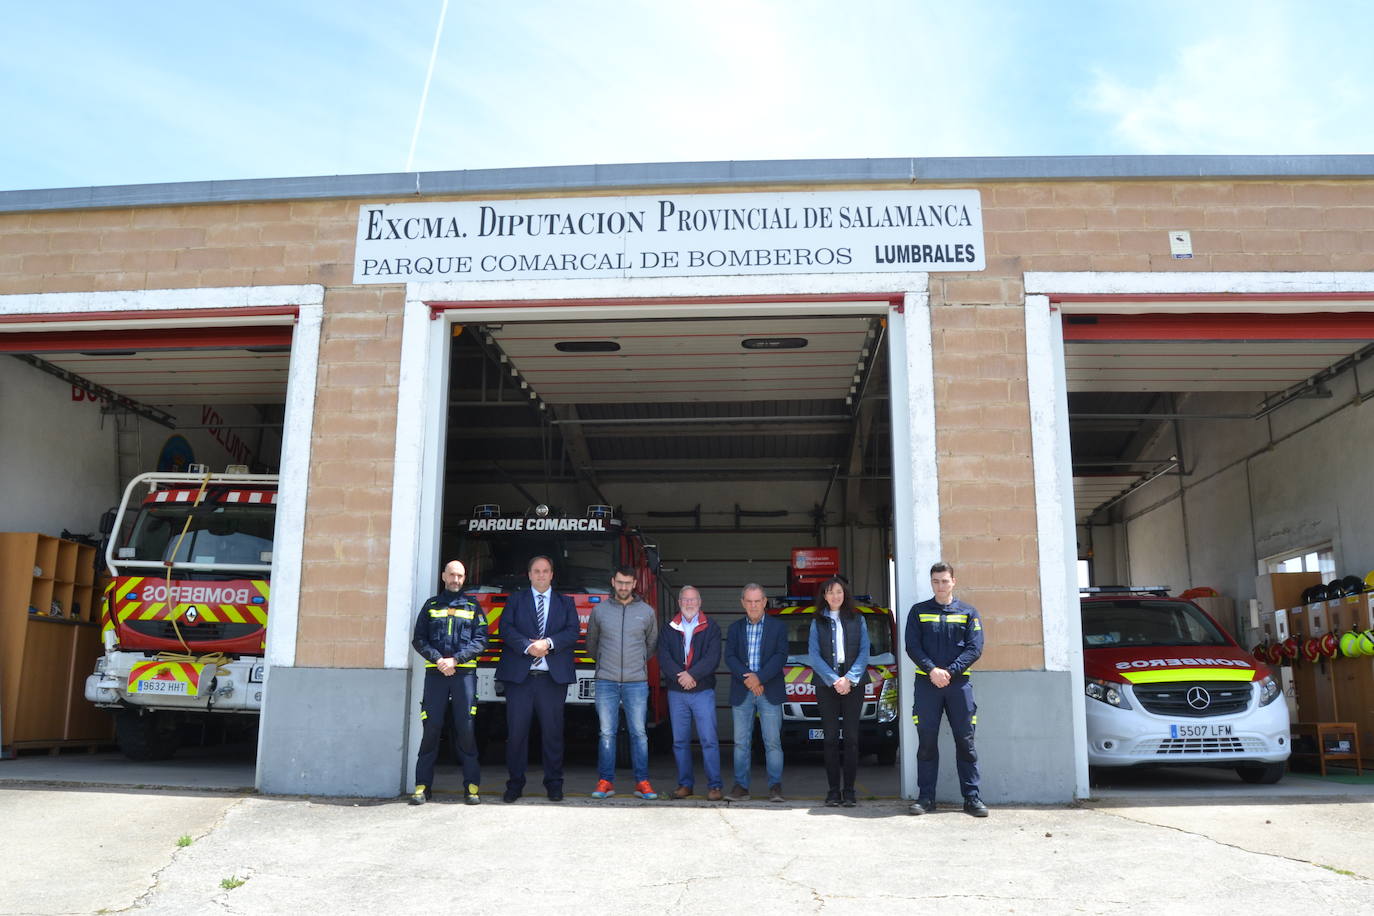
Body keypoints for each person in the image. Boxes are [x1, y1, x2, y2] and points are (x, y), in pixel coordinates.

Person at [495, 555, 580, 803]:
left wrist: (548, 643)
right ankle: (515, 784)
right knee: (517, 734)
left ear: (552, 574)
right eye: (536, 571)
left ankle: (554, 784)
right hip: (519, 679)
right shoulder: (515, 600)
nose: (541, 575)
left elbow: (573, 631)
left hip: (551, 680)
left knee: (553, 734)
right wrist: (527, 647)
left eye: (545, 571)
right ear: (529, 575)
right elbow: (506, 629)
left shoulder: (566, 603)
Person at [905, 561, 987, 817]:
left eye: (944, 580)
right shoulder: (918, 611)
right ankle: (926, 798)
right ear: (932, 583)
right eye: (936, 581)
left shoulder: (968, 612)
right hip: (927, 685)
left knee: (966, 742)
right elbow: (912, 646)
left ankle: (972, 798)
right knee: (927, 743)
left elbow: (975, 648)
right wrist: (932, 670)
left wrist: (949, 672)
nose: (940, 585)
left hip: (959, 686)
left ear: (954, 581)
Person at [409, 559, 487, 806]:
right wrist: (439, 660)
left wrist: (456, 660)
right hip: (436, 676)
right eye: (452, 575)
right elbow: (419, 639)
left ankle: (471, 787)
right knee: (431, 729)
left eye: (460, 576)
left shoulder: (473, 607)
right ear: (444, 576)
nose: (456, 580)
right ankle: (422, 786)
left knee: (466, 730)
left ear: (464, 579)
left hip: (464, 676)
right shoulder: (431, 606)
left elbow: (480, 640)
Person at [585, 565, 660, 800]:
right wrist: (606, 663)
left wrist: (634, 663)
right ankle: (606, 781)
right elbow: (592, 644)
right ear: (613, 582)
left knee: (639, 733)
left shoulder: (647, 612)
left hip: (636, 682)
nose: (624, 587)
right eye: (620, 582)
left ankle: (642, 782)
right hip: (606, 680)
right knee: (607, 733)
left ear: (635, 584)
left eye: (628, 583)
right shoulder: (600, 611)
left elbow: (651, 645)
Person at [807, 576, 870, 808]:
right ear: (824, 596)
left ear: (845, 595)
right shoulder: (817, 622)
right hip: (827, 684)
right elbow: (814, 655)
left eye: (839, 592)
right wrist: (835, 680)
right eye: (830, 592)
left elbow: (864, 652)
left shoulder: (858, 619)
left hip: (854, 683)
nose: (835, 596)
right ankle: (833, 791)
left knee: (852, 739)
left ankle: (850, 791)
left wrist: (850, 679)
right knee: (831, 739)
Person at [723, 582, 788, 802]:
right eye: (749, 601)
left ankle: (775, 787)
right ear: (743, 603)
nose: (753, 605)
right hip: (743, 691)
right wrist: (750, 680)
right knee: (741, 742)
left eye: (757, 601)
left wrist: (759, 678)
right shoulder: (734, 628)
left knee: (772, 741)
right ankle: (741, 787)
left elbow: (780, 656)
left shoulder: (778, 627)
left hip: (769, 689)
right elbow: (730, 657)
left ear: (765, 602)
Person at [658, 585, 723, 800]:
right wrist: (681, 676)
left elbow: (713, 658)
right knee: (680, 741)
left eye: (693, 600)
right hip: (677, 692)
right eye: (685, 600)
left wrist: (691, 675)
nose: (689, 603)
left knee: (709, 740)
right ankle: (685, 784)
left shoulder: (711, 627)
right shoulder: (669, 628)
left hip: (702, 691)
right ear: (679, 603)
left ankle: (714, 786)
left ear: (700, 602)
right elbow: (664, 657)